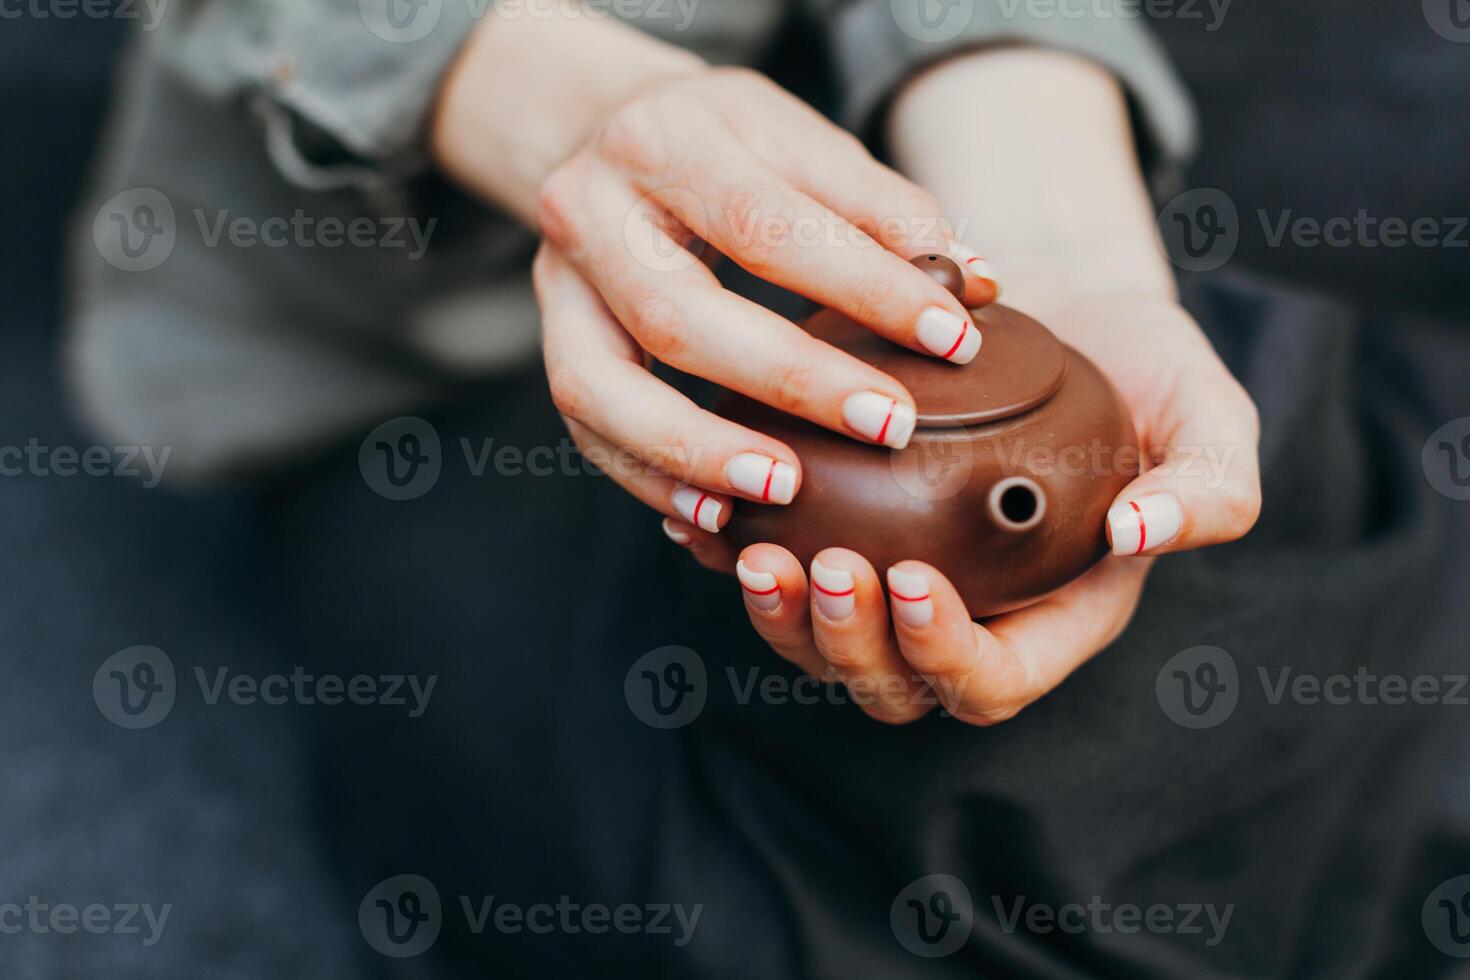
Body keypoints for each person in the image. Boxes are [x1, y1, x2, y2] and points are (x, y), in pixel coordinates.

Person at [67, 0, 1469, 976]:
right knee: (903, 818)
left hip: (915, 239)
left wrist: (1060, 240)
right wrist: (577, 113)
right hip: (430, 351)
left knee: (1244, 533)